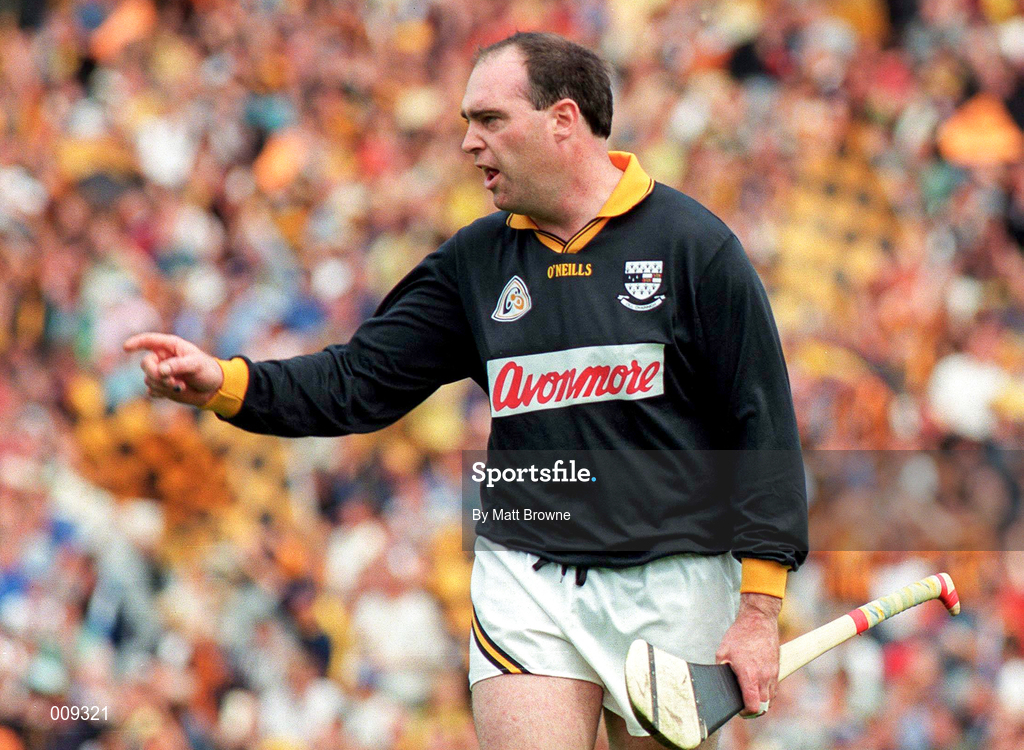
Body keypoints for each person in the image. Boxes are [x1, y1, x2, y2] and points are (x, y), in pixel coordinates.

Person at [125, 32, 808, 750]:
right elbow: (357, 382)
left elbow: (761, 430)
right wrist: (224, 382)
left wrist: (759, 614)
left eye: (489, 120)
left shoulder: (695, 247)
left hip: (677, 582)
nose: (469, 144)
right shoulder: (475, 263)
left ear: (563, 121)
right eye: (466, 124)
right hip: (530, 578)